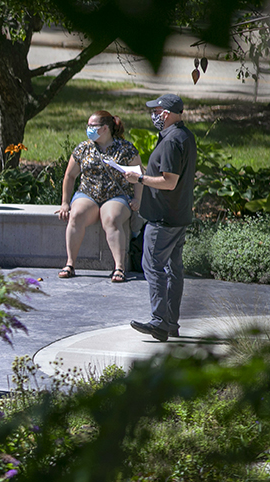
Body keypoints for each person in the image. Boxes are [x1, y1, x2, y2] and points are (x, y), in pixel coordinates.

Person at [124, 94, 197, 342]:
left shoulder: (171, 141)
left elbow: (169, 181)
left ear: (165, 113)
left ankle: (159, 321)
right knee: (173, 269)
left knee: (153, 266)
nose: (153, 115)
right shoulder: (184, 135)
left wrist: (140, 179)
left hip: (164, 218)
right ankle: (171, 323)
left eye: (155, 111)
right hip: (179, 215)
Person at [57, 110, 143, 283]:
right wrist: (65, 202)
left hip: (116, 195)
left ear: (105, 128)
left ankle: (119, 267)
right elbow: (70, 176)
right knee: (76, 215)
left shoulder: (125, 149)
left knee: (111, 219)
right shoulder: (83, 148)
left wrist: (137, 199)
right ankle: (70, 263)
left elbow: (139, 175)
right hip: (88, 193)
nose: (88, 129)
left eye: (92, 126)